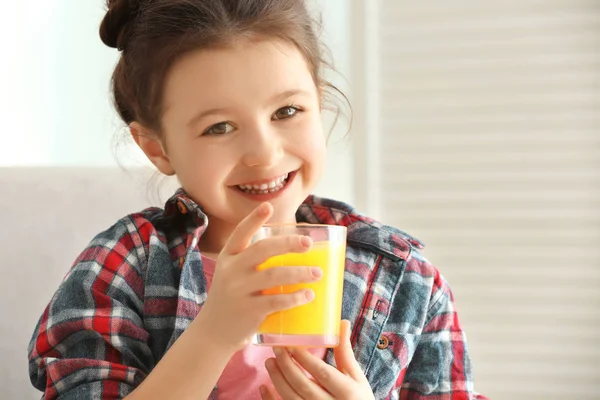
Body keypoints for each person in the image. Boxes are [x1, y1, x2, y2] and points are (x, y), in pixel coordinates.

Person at [28, 1, 488, 399]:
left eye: (287, 111)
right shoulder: (121, 268)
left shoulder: (407, 279)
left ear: (320, 103)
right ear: (158, 148)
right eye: (219, 127)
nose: (265, 153)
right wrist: (214, 333)